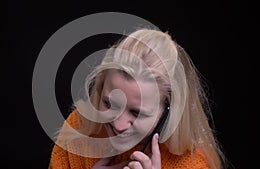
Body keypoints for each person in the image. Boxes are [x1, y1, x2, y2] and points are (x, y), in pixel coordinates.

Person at [48, 28, 227, 169]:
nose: (118, 124)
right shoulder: (77, 130)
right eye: (109, 103)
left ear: (169, 111)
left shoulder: (192, 164)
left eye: (136, 113)